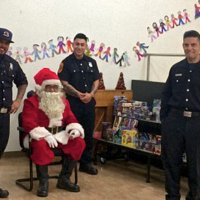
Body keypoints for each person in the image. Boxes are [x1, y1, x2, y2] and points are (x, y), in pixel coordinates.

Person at [22, 68, 86, 197]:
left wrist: (74, 129)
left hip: (59, 135)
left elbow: (71, 118)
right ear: (41, 88)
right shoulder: (31, 102)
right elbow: (29, 123)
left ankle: (64, 179)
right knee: (40, 146)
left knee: (78, 142)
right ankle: (43, 182)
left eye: (54, 87)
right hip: (40, 136)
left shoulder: (64, 102)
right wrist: (45, 135)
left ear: (59, 88)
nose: (52, 90)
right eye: (48, 87)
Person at [160, 30, 200, 200]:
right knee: (171, 162)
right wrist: (166, 120)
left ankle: (195, 196)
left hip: (197, 122)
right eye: (186, 45)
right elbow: (166, 94)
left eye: (193, 45)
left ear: (199, 46)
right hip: (174, 121)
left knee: (196, 165)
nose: (189, 48)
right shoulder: (176, 68)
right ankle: (172, 196)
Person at [58, 33, 100, 175]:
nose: (79, 47)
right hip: (73, 104)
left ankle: (85, 163)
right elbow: (64, 83)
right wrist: (78, 94)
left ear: (86, 46)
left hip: (89, 103)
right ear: (72, 45)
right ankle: (69, 164)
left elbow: (96, 80)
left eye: (82, 44)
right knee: (71, 133)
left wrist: (91, 94)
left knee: (88, 134)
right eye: (77, 44)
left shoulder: (92, 62)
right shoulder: (66, 62)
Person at [0, 28, 28, 198]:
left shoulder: (12, 63)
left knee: (0, 150)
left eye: (6, 43)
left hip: (3, 116)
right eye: (0, 41)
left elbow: (23, 82)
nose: (3, 45)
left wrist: (18, 100)